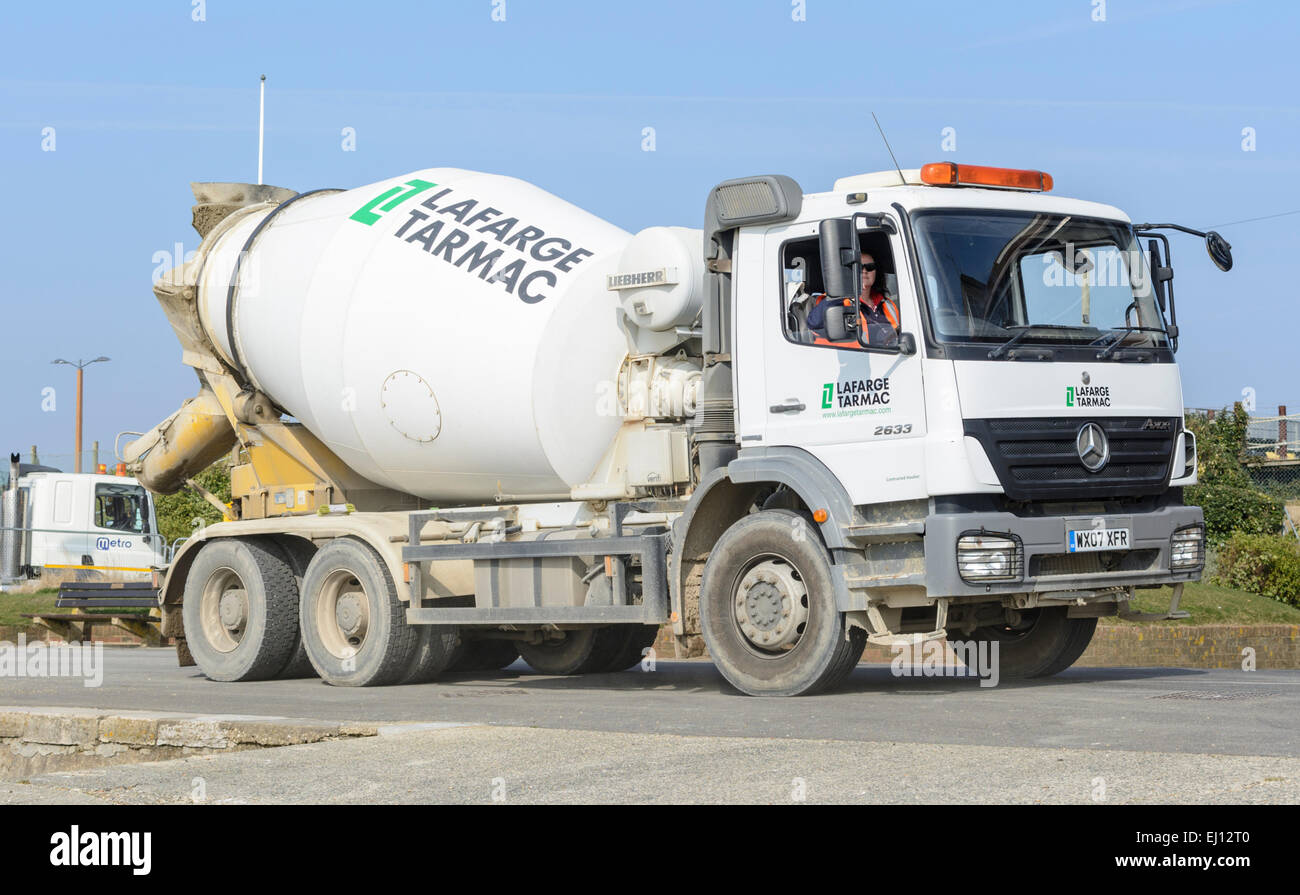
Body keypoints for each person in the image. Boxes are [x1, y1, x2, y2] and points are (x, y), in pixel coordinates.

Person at [807, 251, 900, 347]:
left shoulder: (888, 304)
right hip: (852, 359)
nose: (864, 271)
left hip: (888, 357)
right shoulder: (837, 301)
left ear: (876, 272)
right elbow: (814, 324)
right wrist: (844, 290)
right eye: (859, 267)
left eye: (870, 267)